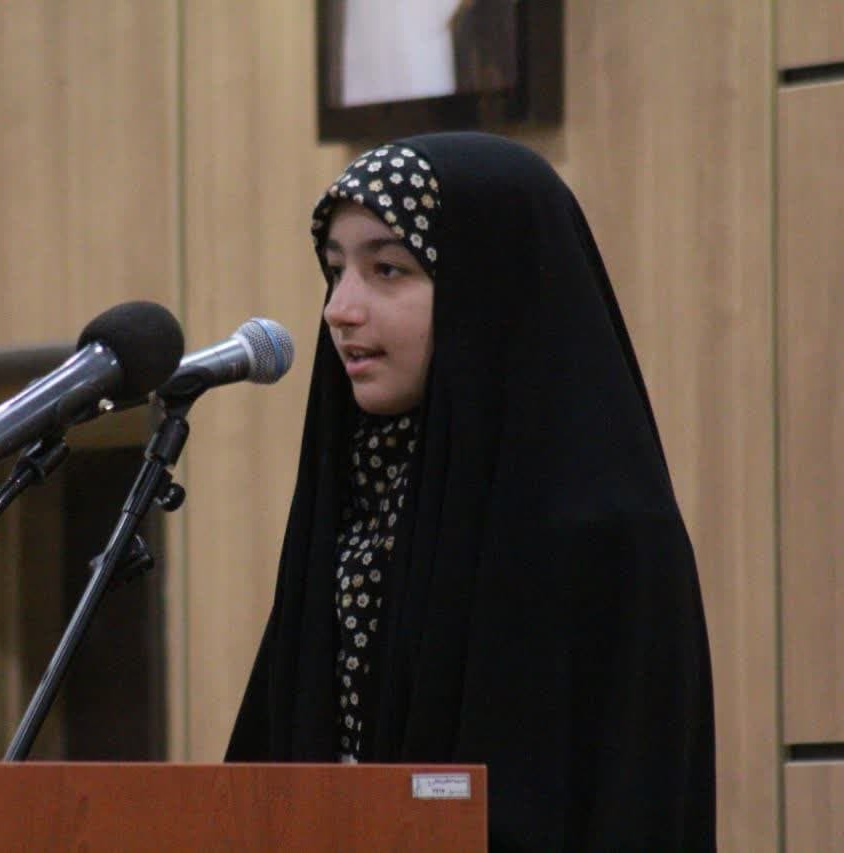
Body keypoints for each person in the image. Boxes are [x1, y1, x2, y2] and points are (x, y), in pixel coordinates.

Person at [225, 132, 716, 849]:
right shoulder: (355, 508)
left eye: (388, 269)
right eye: (335, 270)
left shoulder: (609, 534)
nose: (340, 307)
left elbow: (634, 808)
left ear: (490, 292)